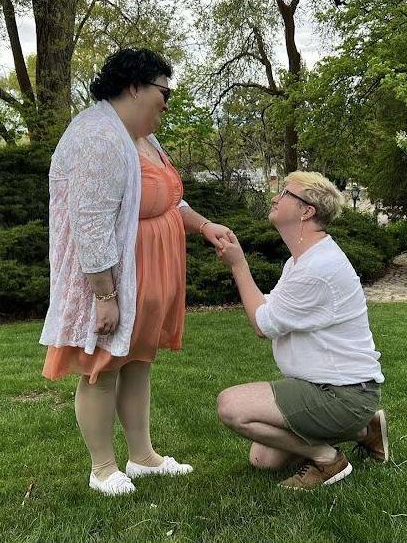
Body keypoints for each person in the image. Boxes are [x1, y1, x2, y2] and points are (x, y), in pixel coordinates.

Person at [39, 48, 232, 497]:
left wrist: (204, 226)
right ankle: (102, 467)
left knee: (138, 362)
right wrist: (104, 296)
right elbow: (89, 223)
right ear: (134, 87)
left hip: (147, 274)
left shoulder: (141, 136)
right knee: (102, 366)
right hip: (108, 279)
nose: (168, 100)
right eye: (164, 90)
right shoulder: (98, 138)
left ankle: (142, 457)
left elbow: (168, 198)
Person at [215, 171, 388, 491]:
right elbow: (272, 308)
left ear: (306, 211)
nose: (275, 198)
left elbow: (262, 324)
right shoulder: (302, 261)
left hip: (342, 394)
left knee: (231, 406)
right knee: (262, 459)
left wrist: (238, 266)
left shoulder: (317, 268)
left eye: (284, 194)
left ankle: (327, 459)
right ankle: (365, 430)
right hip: (330, 389)